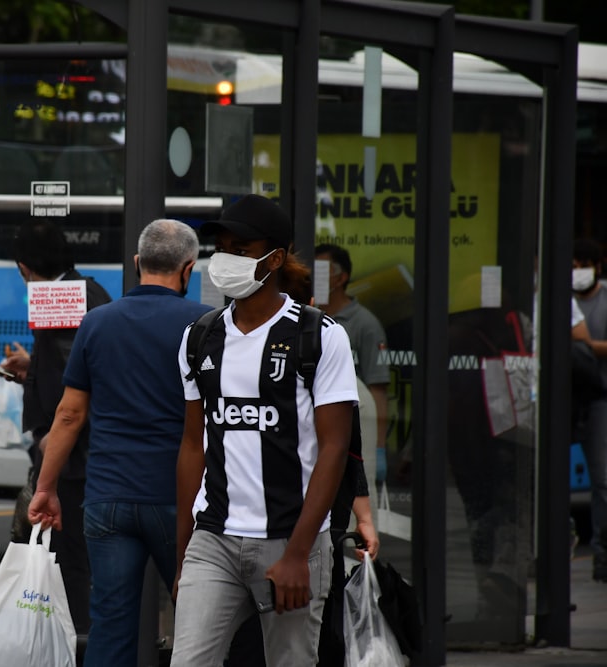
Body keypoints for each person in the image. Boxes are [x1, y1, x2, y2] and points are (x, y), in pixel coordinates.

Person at [170, 194, 359, 667]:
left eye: (241, 247)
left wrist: (298, 553)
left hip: (291, 539)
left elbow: (335, 448)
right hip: (212, 540)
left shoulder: (319, 336)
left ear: (274, 258)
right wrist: (182, 554)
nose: (226, 258)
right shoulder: (199, 338)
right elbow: (193, 446)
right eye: (221, 246)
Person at [27, 219, 210, 667]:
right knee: (199, 618)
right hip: (178, 501)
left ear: (136, 264)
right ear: (188, 269)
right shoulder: (205, 325)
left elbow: (69, 416)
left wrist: (45, 488)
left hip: (107, 498)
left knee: (110, 622)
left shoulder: (98, 322)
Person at [0, 219, 112, 635]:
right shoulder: (90, 289)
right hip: (89, 453)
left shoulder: (60, 297)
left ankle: (77, 645)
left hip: (74, 457)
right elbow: (78, 366)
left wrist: (50, 442)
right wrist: (34, 370)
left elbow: (75, 394)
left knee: (71, 563)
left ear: (25, 268)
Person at [314, 243, 389, 493]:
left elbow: (377, 388)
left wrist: (378, 447)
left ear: (341, 277)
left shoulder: (365, 324)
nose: (316, 276)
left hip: (356, 428)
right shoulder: (308, 318)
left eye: (323, 270)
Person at [572, 238, 607, 582]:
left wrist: (583, 346)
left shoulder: (604, 299)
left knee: (602, 481)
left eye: (583, 264)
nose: (577, 272)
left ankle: (602, 554)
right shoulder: (559, 296)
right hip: (564, 401)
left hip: (598, 399)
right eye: (573, 264)